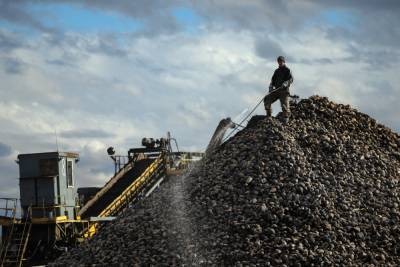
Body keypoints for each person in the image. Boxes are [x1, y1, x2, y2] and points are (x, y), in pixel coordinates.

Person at [264, 56, 294, 120]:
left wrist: (286, 83)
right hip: (276, 91)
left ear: (284, 62)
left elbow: (291, 79)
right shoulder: (277, 71)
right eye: (279, 62)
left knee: (285, 107)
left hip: (284, 92)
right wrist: (271, 86)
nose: (280, 63)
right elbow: (273, 80)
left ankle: (286, 118)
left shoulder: (287, 70)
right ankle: (268, 116)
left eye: (281, 61)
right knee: (267, 99)